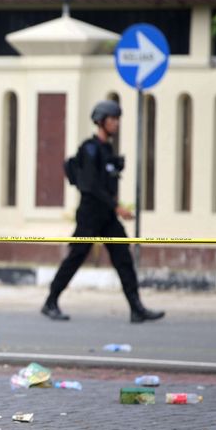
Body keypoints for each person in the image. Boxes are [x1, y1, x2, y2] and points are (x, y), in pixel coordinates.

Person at [41, 100, 164, 323]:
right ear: (101, 122)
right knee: (76, 258)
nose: (116, 123)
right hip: (90, 214)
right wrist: (116, 206)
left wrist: (114, 203)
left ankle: (136, 307)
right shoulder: (89, 149)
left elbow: (106, 184)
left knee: (123, 258)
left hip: (106, 216)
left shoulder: (107, 150)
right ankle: (51, 301)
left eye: (117, 119)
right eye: (112, 119)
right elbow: (90, 186)